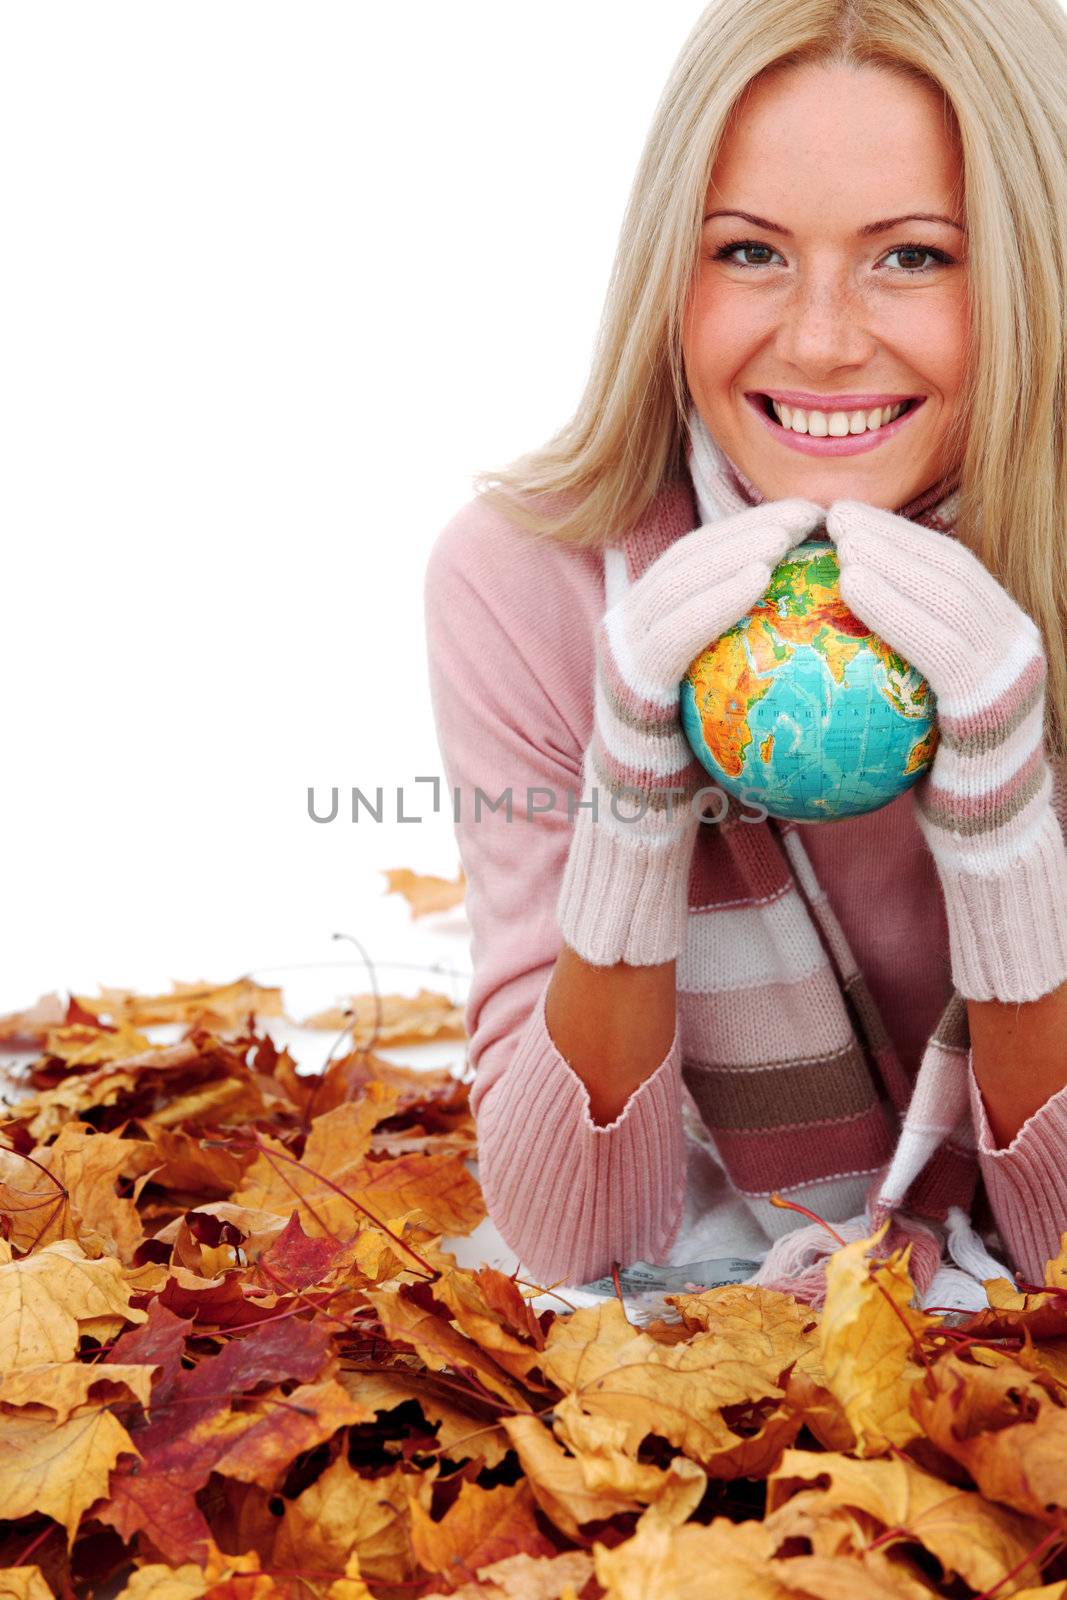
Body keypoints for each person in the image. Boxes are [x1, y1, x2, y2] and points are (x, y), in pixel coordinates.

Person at [423, 0, 1067, 1309]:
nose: (822, 339)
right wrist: (631, 806)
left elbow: (1057, 1259)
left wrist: (1009, 848)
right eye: (752, 251)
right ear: (673, 266)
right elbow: (566, 1240)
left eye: (915, 258)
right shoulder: (528, 581)